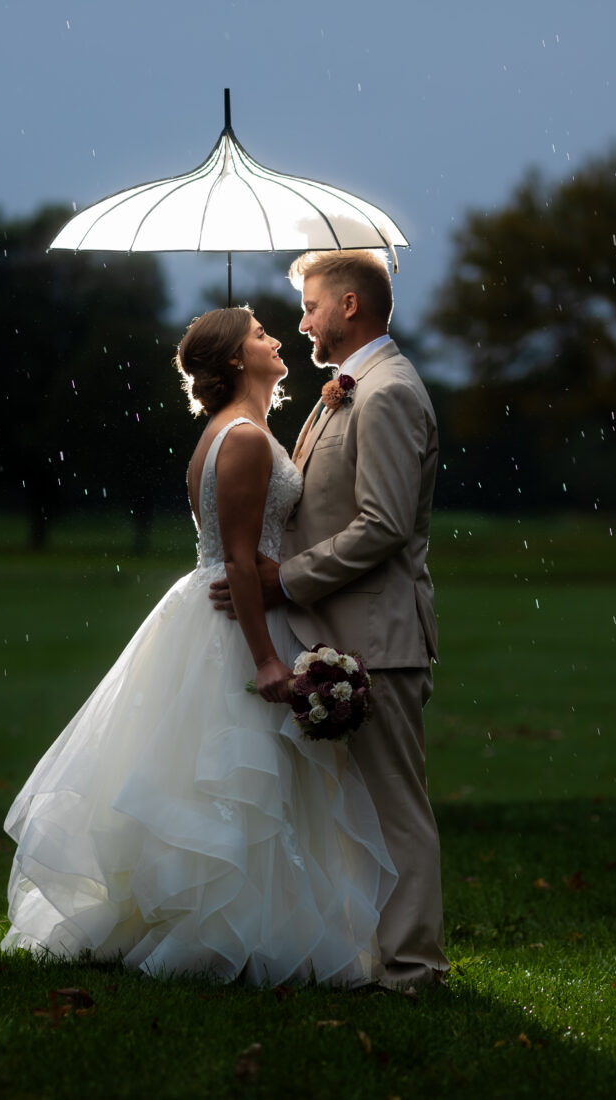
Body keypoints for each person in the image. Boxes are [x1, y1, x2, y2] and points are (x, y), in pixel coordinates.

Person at [0, 307, 397, 988]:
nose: (277, 339)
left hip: (220, 606)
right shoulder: (239, 439)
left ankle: (242, 922)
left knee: (228, 774)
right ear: (238, 360)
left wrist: (328, 400)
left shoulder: (241, 429)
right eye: (260, 334)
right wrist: (266, 660)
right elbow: (241, 561)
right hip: (235, 618)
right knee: (237, 775)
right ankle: (221, 931)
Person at [210, 249, 448, 990]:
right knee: (348, 810)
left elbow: (381, 523)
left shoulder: (387, 394)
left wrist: (285, 581)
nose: (302, 321)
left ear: (349, 307)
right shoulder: (343, 391)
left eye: (311, 306)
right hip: (332, 634)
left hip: (376, 636)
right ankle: (363, 950)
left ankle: (411, 970)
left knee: (392, 808)